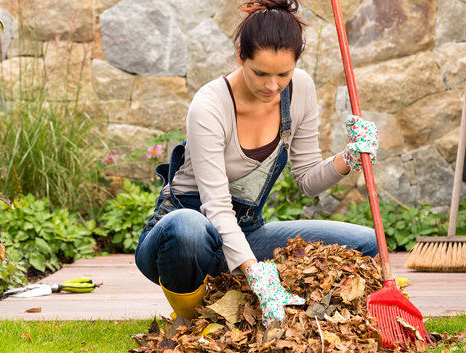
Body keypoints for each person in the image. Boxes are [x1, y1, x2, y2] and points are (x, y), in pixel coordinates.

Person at [134, 0, 380, 327]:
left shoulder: (300, 89)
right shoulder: (209, 106)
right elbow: (217, 208)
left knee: (368, 242)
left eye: (283, 74)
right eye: (260, 73)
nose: (272, 86)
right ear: (241, 55)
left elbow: (307, 180)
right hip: (182, 242)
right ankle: (192, 320)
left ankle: (301, 313)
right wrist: (259, 276)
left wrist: (349, 157)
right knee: (187, 228)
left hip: (245, 233)